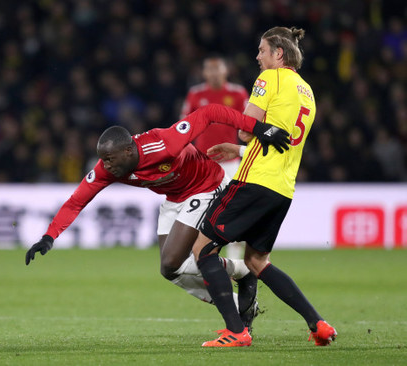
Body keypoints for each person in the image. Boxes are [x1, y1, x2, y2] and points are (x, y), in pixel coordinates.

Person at [25, 103, 290, 330]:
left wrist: (258, 128)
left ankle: (241, 280)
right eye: (102, 160)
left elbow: (210, 113)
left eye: (109, 159)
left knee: (174, 257)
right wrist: (49, 236)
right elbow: (76, 201)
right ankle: (241, 289)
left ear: (128, 151)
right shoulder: (109, 169)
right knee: (169, 270)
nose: (105, 166)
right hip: (175, 198)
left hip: (207, 186)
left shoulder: (164, 143)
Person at [191, 26, 337, 348]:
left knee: (202, 248)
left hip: (253, 182)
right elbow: (281, 143)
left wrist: (242, 143)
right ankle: (318, 324)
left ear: (278, 54)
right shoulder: (307, 92)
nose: (258, 57)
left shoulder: (270, 79)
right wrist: (240, 151)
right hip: (282, 189)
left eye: (262, 50)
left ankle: (236, 331)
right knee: (257, 262)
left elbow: (246, 130)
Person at [181, 55, 249, 260]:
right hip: (203, 164)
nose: (213, 73)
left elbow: (249, 123)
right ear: (203, 73)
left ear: (225, 71)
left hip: (231, 163)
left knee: (234, 208)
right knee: (201, 209)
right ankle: (201, 255)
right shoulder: (196, 94)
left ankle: (235, 258)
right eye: (209, 70)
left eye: (217, 69)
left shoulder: (237, 94)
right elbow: (183, 126)